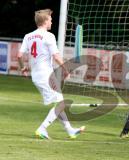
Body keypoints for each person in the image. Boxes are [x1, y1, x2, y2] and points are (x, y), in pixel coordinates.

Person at [17, 9, 85, 139]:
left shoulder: (28, 36)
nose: (52, 22)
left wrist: (22, 68)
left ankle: (70, 130)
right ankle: (42, 128)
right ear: (45, 21)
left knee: (59, 103)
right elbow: (56, 57)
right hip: (46, 76)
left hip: (36, 76)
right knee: (61, 103)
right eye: (51, 20)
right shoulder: (49, 36)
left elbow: (19, 55)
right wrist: (66, 69)